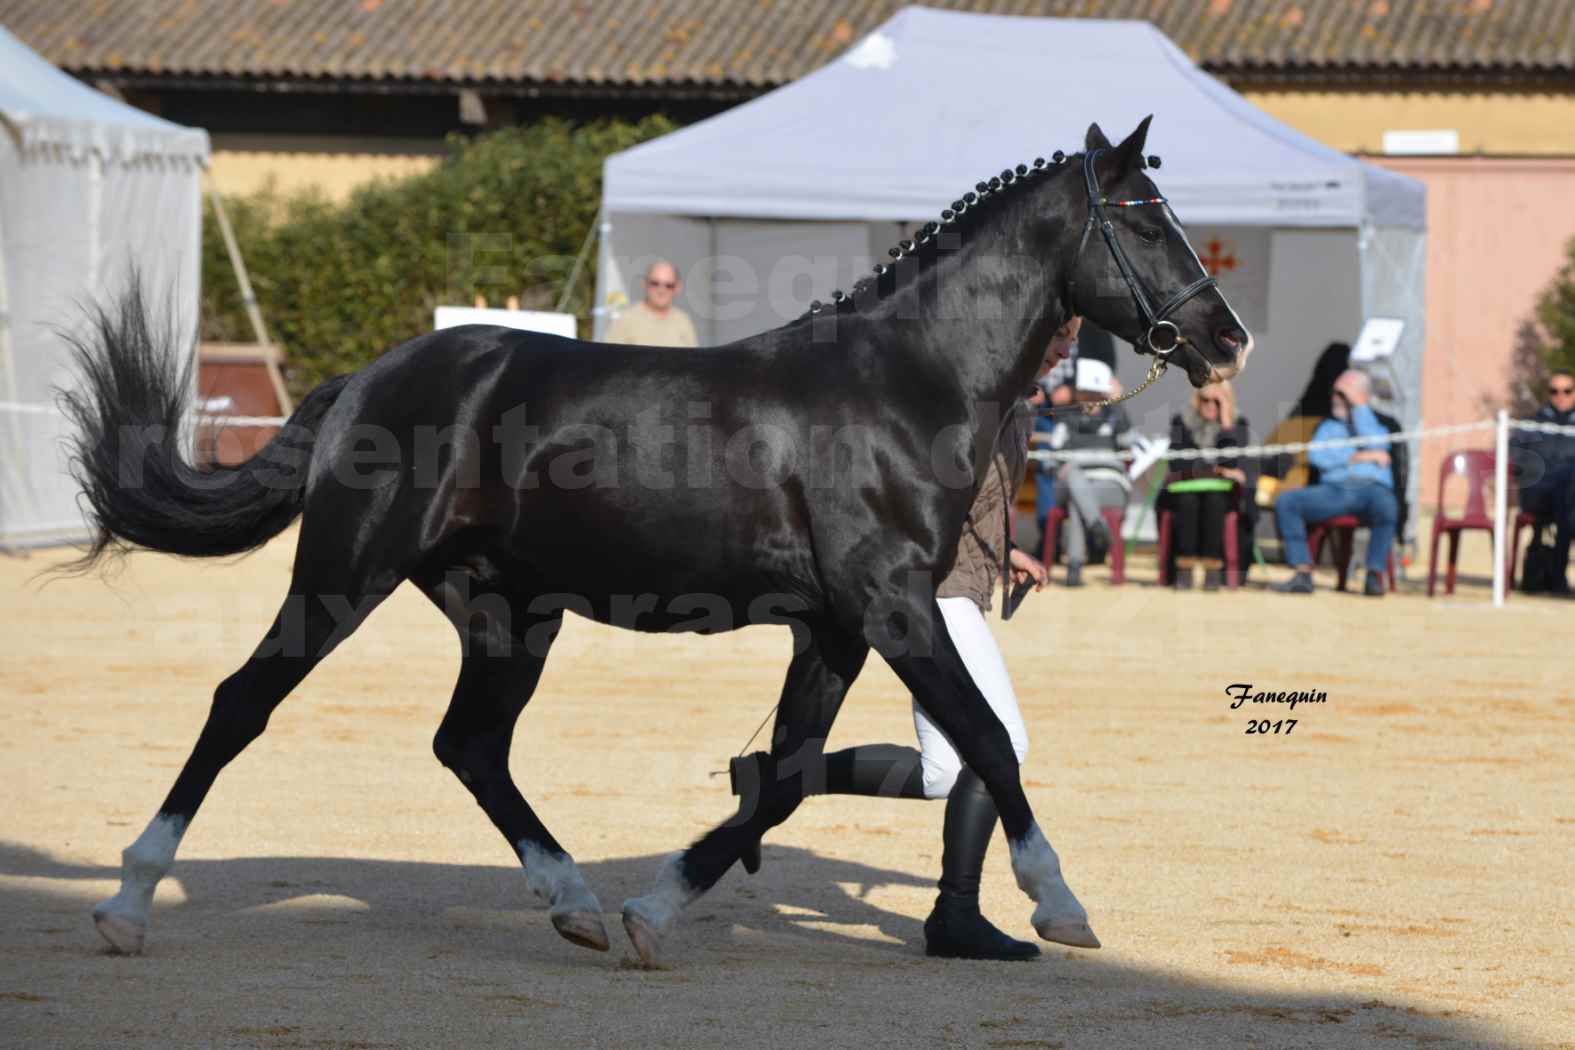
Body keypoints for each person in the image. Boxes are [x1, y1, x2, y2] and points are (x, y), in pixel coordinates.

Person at [729, 318, 1098, 961]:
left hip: (960, 584)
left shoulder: (1013, 402)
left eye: (1074, 339)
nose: (1068, 349)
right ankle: (955, 913)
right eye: (1060, 335)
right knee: (1001, 744)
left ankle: (779, 777)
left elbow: (976, 504)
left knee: (941, 772)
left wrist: (1009, 552)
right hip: (934, 590)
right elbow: (919, 502)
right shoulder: (970, 399)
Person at [1273, 369, 1396, 596]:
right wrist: (1356, 457)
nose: (1336, 398)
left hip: (1372, 490)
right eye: (1336, 392)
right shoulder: (1328, 427)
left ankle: (1373, 575)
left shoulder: (1379, 424)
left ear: (1360, 397)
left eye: (1343, 393)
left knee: (1388, 507)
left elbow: (1379, 447)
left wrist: (1359, 409)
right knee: (1287, 502)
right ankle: (1302, 573)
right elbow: (1317, 457)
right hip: (1335, 491)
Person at [1161, 380, 1257, 590]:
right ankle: (1184, 569)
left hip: (1222, 491)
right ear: (1197, 400)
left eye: (1217, 401)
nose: (1210, 405)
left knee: (1214, 502)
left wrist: (1225, 424)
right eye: (1205, 399)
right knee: (1188, 503)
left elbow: (1232, 462)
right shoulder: (1182, 422)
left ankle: (1212, 568)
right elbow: (1177, 462)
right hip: (1187, 486)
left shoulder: (1237, 424)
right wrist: (1216, 469)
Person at [1046, 358, 1133, 587]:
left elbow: (1129, 445)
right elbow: (1049, 461)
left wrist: (1118, 403)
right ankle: (1097, 527)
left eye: (1097, 392)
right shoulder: (1066, 420)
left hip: (1110, 485)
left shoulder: (1115, 416)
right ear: (1078, 392)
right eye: (1087, 392)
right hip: (1073, 482)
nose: (1092, 398)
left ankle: (1074, 568)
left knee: (1079, 499)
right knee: (1075, 477)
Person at [1509, 367, 1575, 594]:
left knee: (1568, 496)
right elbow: (1515, 458)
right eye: (1554, 391)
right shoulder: (1532, 424)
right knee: (1566, 506)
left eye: (1567, 391)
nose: (1561, 396)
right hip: (1539, 494)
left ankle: (1556, 575)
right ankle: (1554, 577)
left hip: (1570, 497)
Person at [605, 260, 699, 347]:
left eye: (669, 285)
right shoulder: (626, 319)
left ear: (678, 288)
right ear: (644, 284)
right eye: (655, 283)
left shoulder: (683, 321)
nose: (661, 290)